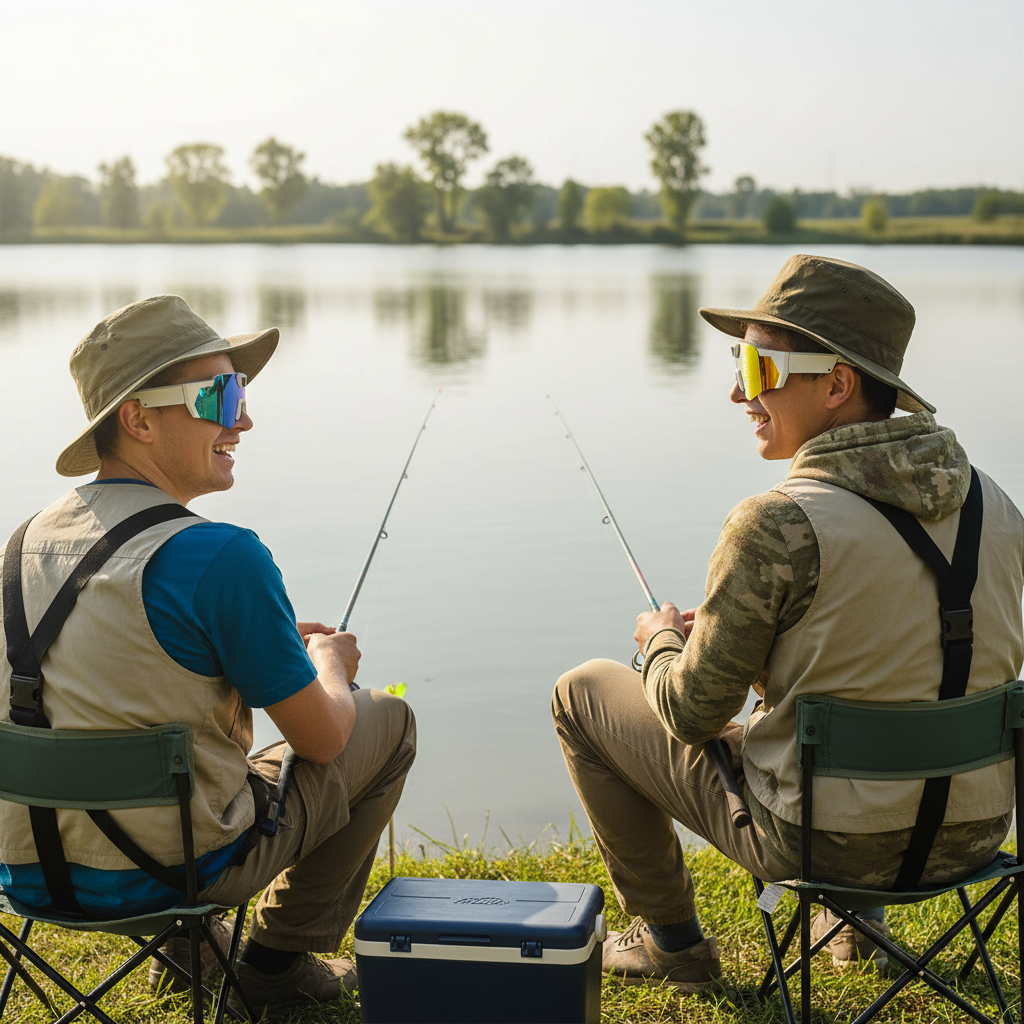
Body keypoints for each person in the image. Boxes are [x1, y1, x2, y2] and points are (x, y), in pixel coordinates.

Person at [552, 254, 1024, 991]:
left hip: (825, 846)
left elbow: (690, 712)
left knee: (581, 694)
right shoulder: (997, 503)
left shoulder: (776, 522)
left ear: (836, 384)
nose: (739, 389)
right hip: (974, 835)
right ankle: (857, 925)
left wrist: (662, 642)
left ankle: (670, 947)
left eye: (759, 366)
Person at [0, 295, 417, 1020]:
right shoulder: (222, 556)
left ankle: (190, 952)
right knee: (384, 719)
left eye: (242, 392)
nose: (243, 418)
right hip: (177, 869)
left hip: (29, 874)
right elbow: (325, 738)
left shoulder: (18, 546)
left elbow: (108, 675)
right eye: (219, 395)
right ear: (138, 419)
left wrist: (265, 638)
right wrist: (327, 664)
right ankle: (274, 966)